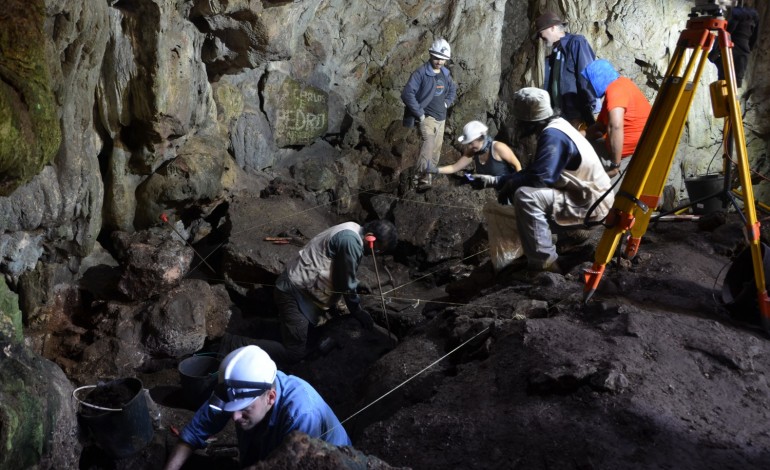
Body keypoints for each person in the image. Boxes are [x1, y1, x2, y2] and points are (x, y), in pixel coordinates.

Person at [225, 220, 398, 365]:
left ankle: (260, 330)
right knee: (295, 353)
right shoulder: (351, 241)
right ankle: (232, 344)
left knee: (299, 334)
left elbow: (337, 269)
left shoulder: (352, 227)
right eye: (379, 249)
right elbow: (346, 283)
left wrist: (357, 283)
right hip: (294, 293)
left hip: (298, 287)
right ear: (371, 238)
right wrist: (357, 310)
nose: (377, 253)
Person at [164, 345, 351, 469]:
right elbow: (194, 432)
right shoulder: (234, 389)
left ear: (270, 397)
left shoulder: (302, 415)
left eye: (244, 409)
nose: (235, 417)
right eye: (231, 409)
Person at [496, 87, 614, 277]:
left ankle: (545, 265)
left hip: (592, 204)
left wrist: (511, 183)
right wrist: (511, 179)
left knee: (526, 197)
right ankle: (563, 242)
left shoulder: (553, 136)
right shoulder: (559, 125)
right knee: (528, 195)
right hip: (592, 198)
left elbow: (542, 178)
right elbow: (539, 169)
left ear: (527, 122)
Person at [581, 59, 652, 187]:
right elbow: (601, 126)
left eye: (589, 82)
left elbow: (615, 126)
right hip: (619, 150)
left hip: (629, 156)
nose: (587, 87)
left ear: (598, 78)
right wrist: (577, 136)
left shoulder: (615, 89)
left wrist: (615, 166)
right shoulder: (619, 86)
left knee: (598, 195)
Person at [401, 38, 457, 191]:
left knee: (436, 150)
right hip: (427, 116)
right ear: (431, 55)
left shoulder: (445, 74)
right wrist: (419, 113)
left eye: (443, 59)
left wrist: (447, 103)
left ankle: (427, 178)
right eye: (436, 57)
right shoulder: (421, 73)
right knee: (429, 142)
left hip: (441, 117)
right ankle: (420, 177)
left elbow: (452, 89)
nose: (439, 61)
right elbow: (407, 94)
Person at [534, 11, 599, 130]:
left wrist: (591, 110)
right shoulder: (555, 53)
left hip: (577, 115)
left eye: (541, 32)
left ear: (552, 28)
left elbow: (587, 77)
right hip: (561, 115)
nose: (540, 36)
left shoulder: (576, 42)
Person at [435, 120, 522, 189]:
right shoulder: (473, 151)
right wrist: (436, 170)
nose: (469, 146)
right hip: (491, 191)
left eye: (471, 143)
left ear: (480, 138)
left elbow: (517, 165)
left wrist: (517, 186)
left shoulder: (498, 147)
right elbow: (454, 168)